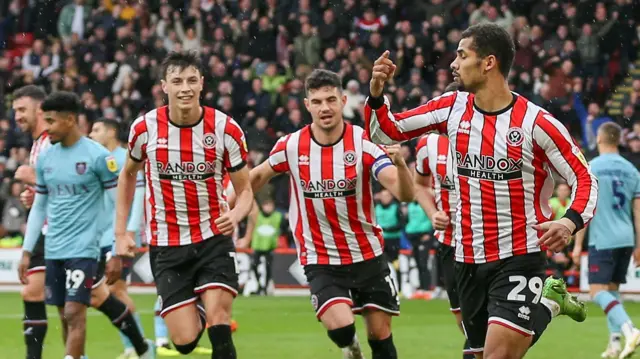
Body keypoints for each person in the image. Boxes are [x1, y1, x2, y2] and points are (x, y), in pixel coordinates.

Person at [364, 23, 598, 359]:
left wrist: (569, 221)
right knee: (477, 354)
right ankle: (549, 304)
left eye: (462, 55)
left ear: (488, 63)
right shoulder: (451, 108)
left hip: (519, 254)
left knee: (497, 356)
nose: (453, 64)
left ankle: (544, 304)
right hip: (467, 257)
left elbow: (585, 178)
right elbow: (388, 131)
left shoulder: (537, 124)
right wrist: (376, 94)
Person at [246, 69, 415, 359]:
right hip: (320, 256)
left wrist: (400, 166)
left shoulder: (362, 142)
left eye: (331, 99)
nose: (325, 107)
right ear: (307, 105)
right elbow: (256, 177)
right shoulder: (291, 145)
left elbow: (405, 194)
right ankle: (349, 348)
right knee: (340, 328)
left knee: (380, 335)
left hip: (366, 253)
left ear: (343, 101)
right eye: (317, 101)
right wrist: (223, 199)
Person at [110, 50, 254, 359]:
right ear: (164, 86)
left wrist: (237, 214)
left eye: (191, 80)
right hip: (167, 244)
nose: (185, 88)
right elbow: (127, 177)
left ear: (202, 84)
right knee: (184, 342)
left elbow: (245, 190)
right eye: (177, 81)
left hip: (213, 237)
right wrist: (121, 232)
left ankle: (211, 300)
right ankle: (198, 303)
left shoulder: (226, 129)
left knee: (219, 322)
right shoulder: (144, 128)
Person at [17, 91, 155, 359]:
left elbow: (119, 204)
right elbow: (40, 207)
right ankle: (139, 346)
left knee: (74, 311)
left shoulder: (100, 157)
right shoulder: (47, 157)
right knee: (67, 312)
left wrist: (116, 248)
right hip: (54, 247)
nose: (47, 128)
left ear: (70, 120)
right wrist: (26, 249)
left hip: (86, 247)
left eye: (51, 121)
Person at [572, 122, 640, 359]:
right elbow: (638, 211)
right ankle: (615, 344)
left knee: (596, 292)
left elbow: (582, 208)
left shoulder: (591, 168)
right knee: (613, 290)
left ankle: (630, 330)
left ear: (600, 139)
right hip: (626, 238)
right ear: (619, 140)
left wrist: (578, 244)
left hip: (603, 239)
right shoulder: (632, 170)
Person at [88, 118, 149, 359]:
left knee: (116, 292)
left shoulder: (126, 158)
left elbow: (139, 194)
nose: (91, 134)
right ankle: (135, 345)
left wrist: (130, 231)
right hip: (103, 237)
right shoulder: (101, 160)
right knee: (113, 293)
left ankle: (140, 345)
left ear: (112, 131)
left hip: (120, 237)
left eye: (96, 129)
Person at [414, 131, 472, 359]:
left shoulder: (488, 138)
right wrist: (433, 213)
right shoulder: (428, 145)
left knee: (487, 326)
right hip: (449, 244)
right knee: (463, 320)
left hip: (488, 244)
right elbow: (419, 185)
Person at [11, 85, 50, 359]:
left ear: (40, 110)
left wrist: (33, 180)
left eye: (22, 110)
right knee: (32, 293)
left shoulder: (51, 142)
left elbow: (70, 182)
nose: (17, 116)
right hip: (44, 229)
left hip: (61, 230)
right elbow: (47, 188)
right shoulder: (37, 144)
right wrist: (34, 194)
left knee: (95, 299)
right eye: (15, 111)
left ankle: (141, 347)